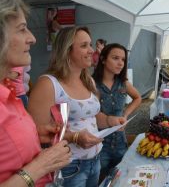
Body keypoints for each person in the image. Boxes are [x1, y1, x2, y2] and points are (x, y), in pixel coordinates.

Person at [28, 27, 124, 187]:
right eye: (84, 45)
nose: (92, 50)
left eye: (90, 44)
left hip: (95, 159)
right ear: (67, 50)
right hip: (68, 165)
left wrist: (110, 120)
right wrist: (74, 137)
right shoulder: (48, 84)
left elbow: (92, 116)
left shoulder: (88, 81)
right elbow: (35, 132)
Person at [0, 0, 71, 187]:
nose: (32, 38)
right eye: (22, 29)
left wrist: (34, 134)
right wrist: (40, 166)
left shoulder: (8, 91)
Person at [92, 43, 142, 181]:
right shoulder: (92, 84)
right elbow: (93, 115)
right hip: (99, 144)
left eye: (123, 59)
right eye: (115, 58)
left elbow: (138, 98)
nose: (120, 63)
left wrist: (125, 115)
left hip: (120, 142)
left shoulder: (123, 83)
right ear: (103, 59)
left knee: (120, 179)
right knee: (101, 181)